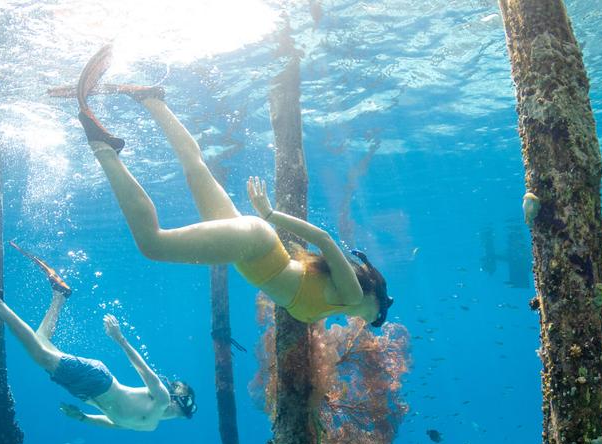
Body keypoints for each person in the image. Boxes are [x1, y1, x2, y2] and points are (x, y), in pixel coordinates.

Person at [71, 45, 394, 326]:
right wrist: (270, 214)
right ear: (375, 297)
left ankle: (153, 100)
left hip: (250, 247)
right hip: (254, 243)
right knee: (153, 244)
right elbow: (323, 239)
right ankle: (104, 149)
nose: (370, 322)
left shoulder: (339, 302)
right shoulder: (352, 295)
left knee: (196, 172)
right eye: (377, 317)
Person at [0, 241, 196, 430]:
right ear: (176, 399)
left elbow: (113, 423)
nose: (176, 414)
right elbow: (145, 371)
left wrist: (82, 418)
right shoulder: (161, 398)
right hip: (98, 380)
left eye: (181, 415)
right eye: (179, 409)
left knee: (41, 341)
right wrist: (119, 338)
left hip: (85, 392)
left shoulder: (149, 426)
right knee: (40, 356)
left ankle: (59, 294)